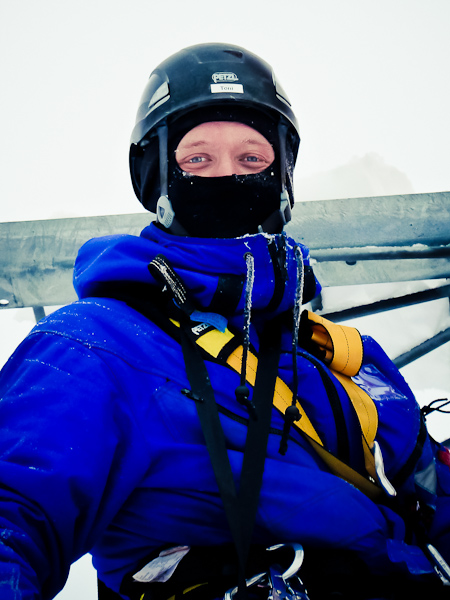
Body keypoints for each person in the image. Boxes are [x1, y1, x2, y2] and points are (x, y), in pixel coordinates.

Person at [0, 42, 450, 600]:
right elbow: (12, 514)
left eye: (252, 159)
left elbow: (435, 494)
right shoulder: (95, 345)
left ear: (282, 178)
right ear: (158, 179)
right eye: (197, 160)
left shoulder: (347, 355)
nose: (227, 177)